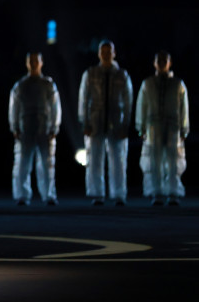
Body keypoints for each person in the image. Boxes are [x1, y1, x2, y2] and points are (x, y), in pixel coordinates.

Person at [78, 40, 133, 206]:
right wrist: (84, 122)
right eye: (103, 51)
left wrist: (126, 125)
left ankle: (119, 194)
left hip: (116, 121)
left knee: (118, 159)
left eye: (109, 51)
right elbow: (83, 99)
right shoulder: (91, 73)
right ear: (99, 54)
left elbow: (128, 101)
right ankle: (97, 193)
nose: (106, 54)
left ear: (114, 53)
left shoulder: (122, 75)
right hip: (95, 120)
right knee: (94, 159)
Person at [135, 51, 190, 206]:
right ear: (154, 63)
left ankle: (173, 193)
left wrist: (184, 128)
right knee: (155, 160)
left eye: (164, 60)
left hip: (173, 126)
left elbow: (184, 107)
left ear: (169, 63)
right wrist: (141, 126)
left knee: (173, 161)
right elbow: (142, 106)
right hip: (153, 125)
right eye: (159, 60)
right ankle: (156, 192)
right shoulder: (148, 83)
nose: (161, 63)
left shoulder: (178, 84)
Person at [8, 52, 62, 206]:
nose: (33, 63)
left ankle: (49, 195)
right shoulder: (20, 85)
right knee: (23, 162)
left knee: (47, 162)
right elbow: (14, 107)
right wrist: (15, 127)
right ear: (26, 63)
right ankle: (22, 195)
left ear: (41, 62)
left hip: (44, 126)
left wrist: (54, 127)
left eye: (35, 61)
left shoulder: (48, 84)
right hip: (25, 125)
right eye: (30, 61)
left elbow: (55, 107)